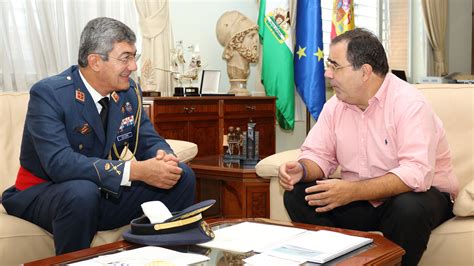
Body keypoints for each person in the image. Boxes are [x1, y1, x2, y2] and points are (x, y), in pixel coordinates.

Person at [1, 17, 196, 255]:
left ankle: (162, 257)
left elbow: (147, 139)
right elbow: (59, 164)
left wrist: (164, 158)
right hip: (43, 193)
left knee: (181, 176)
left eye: (134, 57)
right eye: (125, 58)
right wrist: (136, 171)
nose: (133, 67)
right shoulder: (49, 94)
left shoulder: (128, 92)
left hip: (98, 191)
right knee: (81, 192)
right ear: (95, 61)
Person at [279, 28, 458, 266]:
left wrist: (352, 192)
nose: (327, 73)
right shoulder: (336, 106)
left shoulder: (409, 103)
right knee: (300, 195)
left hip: (421, 198)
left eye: (335, 66)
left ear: (364, 72)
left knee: (408, 207)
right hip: (364, 201)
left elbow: (416, 173)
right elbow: (318, 155)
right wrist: (301, 169)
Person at [216, 10, 259, 96]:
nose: (256, 41)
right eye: (251, 36)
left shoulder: (245, 69)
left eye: (256, 36)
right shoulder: (235, 67)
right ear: (236, 41)